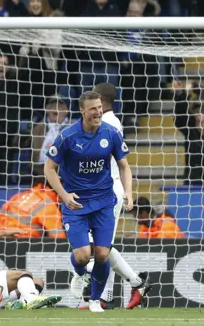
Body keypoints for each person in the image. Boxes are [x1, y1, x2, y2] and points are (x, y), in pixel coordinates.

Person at [44, 91, 134, 313]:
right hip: (76, 203)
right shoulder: (68, 137)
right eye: (93, 108)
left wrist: (128, 192)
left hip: (103, 201)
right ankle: (80, 272)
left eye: (100, 107)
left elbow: (124, 166)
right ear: (82, 111)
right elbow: (49, 168)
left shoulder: (111, 133)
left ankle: (95, 300)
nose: (98, 112)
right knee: (83, 256)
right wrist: (64, 195)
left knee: (103, 254)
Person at [87, 82, 150, 310]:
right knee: (102, 247)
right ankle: (108, 295)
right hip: (100, 190)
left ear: (101, 102)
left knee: (101, 247)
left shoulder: (108, 123)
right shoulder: (109, 122)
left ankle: (136, 283)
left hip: (109, 190)